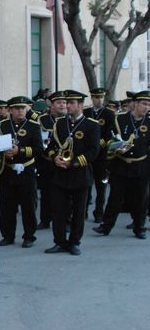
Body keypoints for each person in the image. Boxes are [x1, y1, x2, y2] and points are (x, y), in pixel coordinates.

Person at [44, 90, 100, 256]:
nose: (67, 106)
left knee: (78, 211)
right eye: (66, 103)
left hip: (80, 175)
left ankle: (74, 241)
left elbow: (93, 151)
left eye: (71, 103)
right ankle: (59, 241)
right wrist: (55, 158)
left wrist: (74, 162)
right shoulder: (60, 124)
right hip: (60, 174)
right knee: (58, 210)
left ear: (80, 105)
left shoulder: (91, 125)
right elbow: (51, 146)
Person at [94, 90, 150, 239]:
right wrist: (115, 148)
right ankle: (106, 226)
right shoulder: (120, 119)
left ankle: (139, 227)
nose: (147, 107)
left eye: (149, 104)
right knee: (115, 197)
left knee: (140, 199)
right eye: (144, 104)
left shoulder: (149, 121)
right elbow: (110, 137)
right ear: (135, 104)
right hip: (121, 164)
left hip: (141, 165)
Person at [0, 97, 43, 248]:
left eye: (22, 108)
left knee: (28, 205)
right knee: (7, 205)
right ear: (10, 110)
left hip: (26, 169)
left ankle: (29, 235)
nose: (20, 111)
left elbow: (38, 149)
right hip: (8, 170)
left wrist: (20, 151)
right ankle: (8, 235)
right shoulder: (3, 125)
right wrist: (4, 153)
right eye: (16, 108)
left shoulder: (33, 126)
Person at [36, 91, 67, 229]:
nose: (62, 105)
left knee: (65, 194)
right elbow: (39, 139)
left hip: (64, 161)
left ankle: (65, 221)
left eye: (64, 102)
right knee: (46, 192)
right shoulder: (43, 119)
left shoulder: (68, 120)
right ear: (51, 104)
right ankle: (45, 219)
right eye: (59, 102)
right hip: (46, 161)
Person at [83, 88, 115, 223]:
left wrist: (98, 143)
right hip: (88, 154)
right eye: (96, 97)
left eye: (101, 97)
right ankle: (83, 211)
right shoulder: (86, 112)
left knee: (101, 186)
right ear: (92, 98)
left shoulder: (108, 113)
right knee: (86, 185)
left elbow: (109, 133)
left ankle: (99, 213)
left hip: (101, 155)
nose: (99, 100)